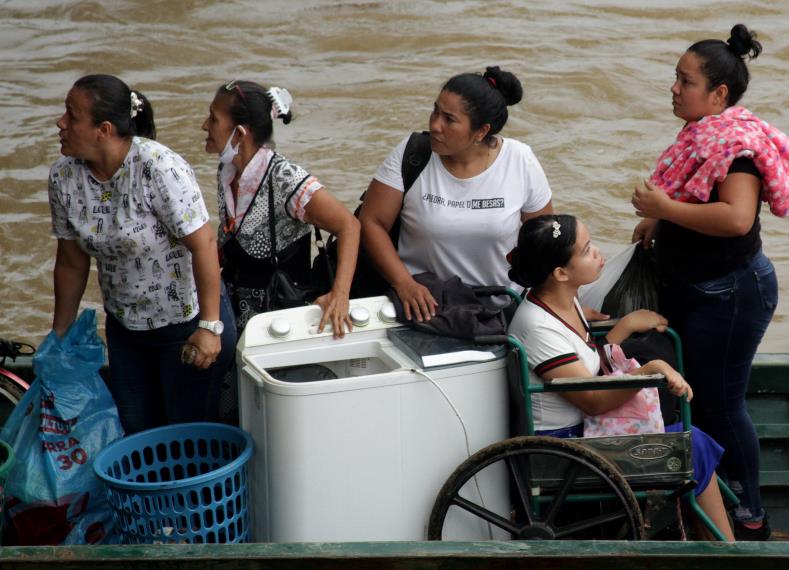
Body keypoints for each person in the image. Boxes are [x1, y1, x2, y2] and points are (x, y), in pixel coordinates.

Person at [629, 24, 789, 540]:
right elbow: (697, 195)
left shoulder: (737, 145)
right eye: (675, 78)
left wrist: (665, 207)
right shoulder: (702, 134)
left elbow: (735, 219)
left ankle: (748, 515)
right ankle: (710, 503)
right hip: (702, 289)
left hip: (730, 292)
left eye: (685, 81)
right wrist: (662, 219)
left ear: (719, 94)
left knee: (720, 405)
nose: (674, 88)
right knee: (702, 400)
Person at [507, 214, 734, 541]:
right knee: (691, 445)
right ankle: (727, 552)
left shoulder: (563, 299)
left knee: (686, 434)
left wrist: (624, 327)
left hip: (586, 429)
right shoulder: (539, 327)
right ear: (560, 273)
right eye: (586, 250)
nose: (598, 253)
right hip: (565, 447)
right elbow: (594, 400)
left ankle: (717, 544)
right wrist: (647, 371)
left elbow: (589, 363)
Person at [49, 74, 235, 435]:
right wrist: (59, 337)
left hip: (186, 326)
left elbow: (204, 244)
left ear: (103, 129)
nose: (61, 123)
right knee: (136, 432)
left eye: (71, 116)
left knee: (186, 440)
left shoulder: (158, 168)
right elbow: (71, 262)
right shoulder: (63, 178)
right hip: (126, 329)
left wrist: (210, 327)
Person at [360, 66, 553, 322]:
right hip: (423, 308)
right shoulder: (413, 154)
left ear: (481, 131)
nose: (435, 125)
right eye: (435, 111)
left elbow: (546, 246)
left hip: (501, 310)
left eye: (449, 119)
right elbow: (372, 222)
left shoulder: (520, 160)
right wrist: (404, 283)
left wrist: (560, 308)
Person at [202, 80, 360, 336]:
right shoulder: (226, 169)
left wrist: (340, 295)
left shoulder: (285, 179)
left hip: (279, 326)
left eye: (213, 119)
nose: (205, 126)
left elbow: (349, 225)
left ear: (240, 133)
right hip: (232, 316)